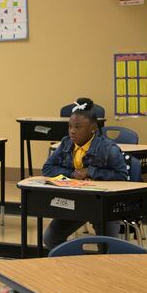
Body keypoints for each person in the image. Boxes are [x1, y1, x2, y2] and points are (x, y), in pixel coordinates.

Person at [41, 98, 128, 250]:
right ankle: (76, 267)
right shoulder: (67, 143)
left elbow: (122, 175)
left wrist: (91, 172)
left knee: (108, 247)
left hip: (104, 204)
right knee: (50, 239)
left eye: (78, 127)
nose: (72, 131)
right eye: (70, 127)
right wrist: (72, 174)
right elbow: (47, 168)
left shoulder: (108, 149)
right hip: (76, 202)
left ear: (93, 128)